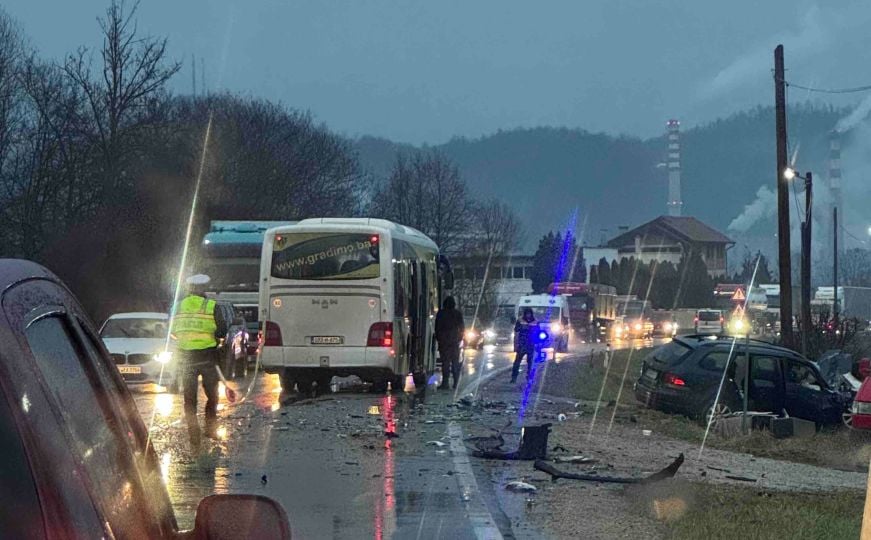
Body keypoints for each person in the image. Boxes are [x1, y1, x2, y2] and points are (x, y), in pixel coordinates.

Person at [170, 274, 228, 448]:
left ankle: (193, 433)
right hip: (207, 357)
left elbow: (172, 331)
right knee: (212, 395)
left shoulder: (178, 306)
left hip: (186, 358)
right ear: (204, 289)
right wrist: (216, 338)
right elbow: (222, 331)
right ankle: (210, 428)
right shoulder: (212, 306)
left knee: (189, 398)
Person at [435, 296, 465, 389]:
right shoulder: (457, 314)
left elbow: (437, 327)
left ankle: (445, 383)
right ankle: (456, 383)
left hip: (444, 342)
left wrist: (439, 338)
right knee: (455, 362)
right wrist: (459, 338)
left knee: (445, 363)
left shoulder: (441, 313)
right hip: (454, 341)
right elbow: (462, 327)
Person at [511, 307, 539, 383]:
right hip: (521, 345)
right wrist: (515, 345)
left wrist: (537, 344)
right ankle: (514, 377)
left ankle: (529, 378)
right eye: (527, 314)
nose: (528, 315)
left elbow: (538, 333)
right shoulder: (520, 321)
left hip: (530, 345)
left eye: (529, 314)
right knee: (517, 362)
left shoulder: (536, 322)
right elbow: (516, 333)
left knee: (530, 363)